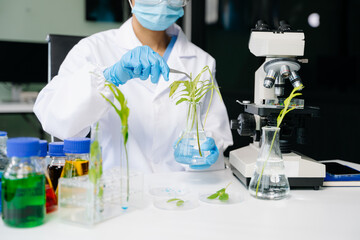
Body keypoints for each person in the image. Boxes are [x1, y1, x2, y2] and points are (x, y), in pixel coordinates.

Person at [34, 0, 233, 173]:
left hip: (179, 197)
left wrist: (207, 150)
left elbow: (216, 134)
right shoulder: (93, 50)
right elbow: (52, 116)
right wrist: (107, 77)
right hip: (116, 195)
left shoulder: (201, 61)